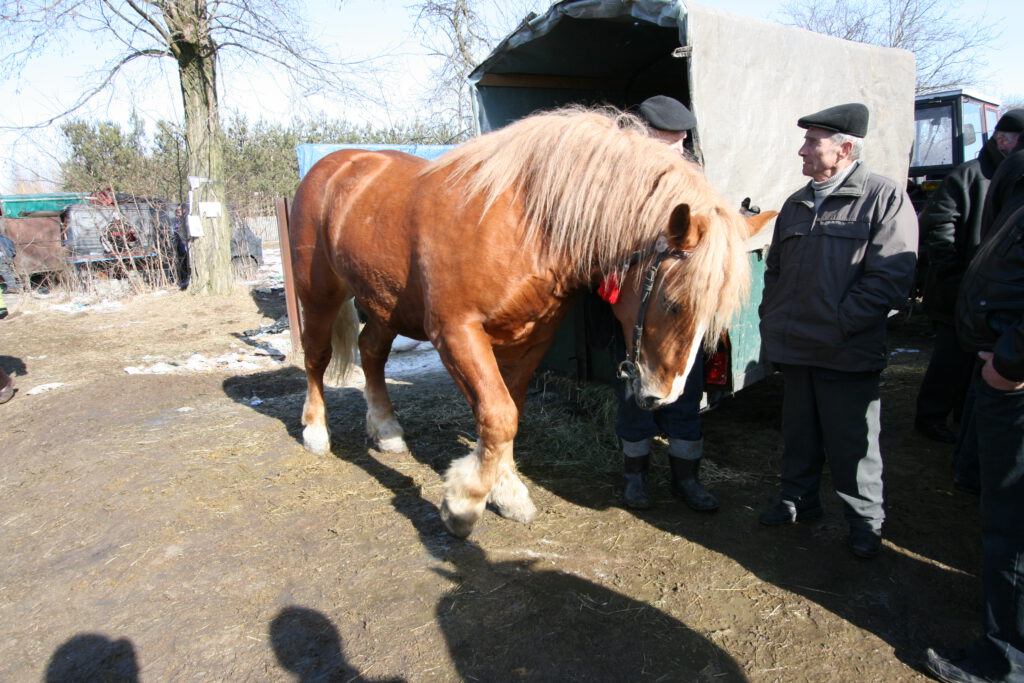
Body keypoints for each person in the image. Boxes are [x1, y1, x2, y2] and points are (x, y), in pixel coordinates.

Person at [756, 103, 918, 559]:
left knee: (853, 443)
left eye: (813, 142)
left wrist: (841, 325)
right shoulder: (796, 203)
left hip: (846, 349)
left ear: (844, 150)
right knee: (799, 433)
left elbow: (891, 277)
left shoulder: (883, 197)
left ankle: (864, 520)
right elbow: (775, 272)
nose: (802, 150)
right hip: (796, 347)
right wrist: (773, 318)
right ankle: (797, 499)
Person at [923, 140, 1024, 683]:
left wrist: (1009, 363)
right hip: (999, 372)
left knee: (1013, 526)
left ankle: (1006, 659)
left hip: (1012, 381)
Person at [613, 95, 717, 512]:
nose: (678, 150)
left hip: (678, 308)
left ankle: (686, 479)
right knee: (633, 395)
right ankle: (634, 478)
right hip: (633, 313)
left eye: (681, 142)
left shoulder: (695, 182)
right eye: (668, 142)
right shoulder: (620, 185)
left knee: (686, 393)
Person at [915, 110, 1024, 445]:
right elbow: (938, 225)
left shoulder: (1013, 177)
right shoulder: (968, 175)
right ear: (1003, 140)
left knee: (979, 364)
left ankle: (967, 421)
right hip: (959, 292)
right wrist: (954, 277)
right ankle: (931, 417)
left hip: (991, 299)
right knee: (949, 360)